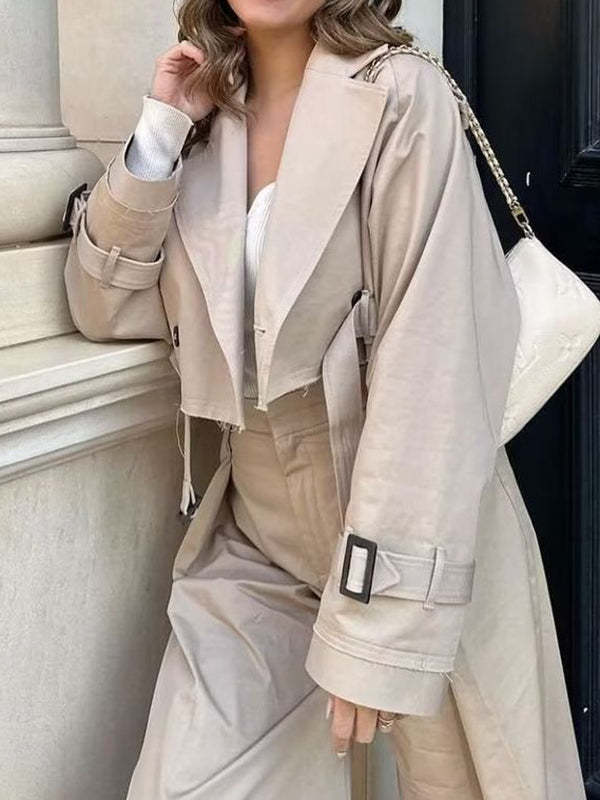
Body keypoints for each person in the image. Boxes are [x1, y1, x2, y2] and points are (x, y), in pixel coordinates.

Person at [62, 0, 586, 797]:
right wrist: (161, 132)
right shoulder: (206, 121)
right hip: (256, 541)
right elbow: (104, 308)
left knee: (474, 780)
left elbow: (435, 364)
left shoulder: (401, 97)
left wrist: (377, 627)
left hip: (409, 531)